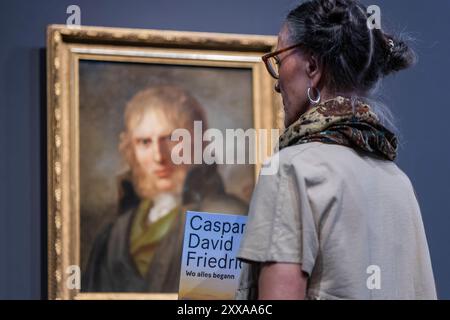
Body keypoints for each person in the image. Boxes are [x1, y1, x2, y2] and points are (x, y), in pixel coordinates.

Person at [236, 0, 437, 300]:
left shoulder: (291, 170)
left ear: (313, 67)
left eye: (278, 61)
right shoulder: (399, 183)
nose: (277, 85)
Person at [83, 85, 247, 292]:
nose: (158, 157)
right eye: (144, 142)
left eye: (171, 139)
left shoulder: (222, 217)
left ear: (199, 143)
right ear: (130, 150)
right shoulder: (112, 235)